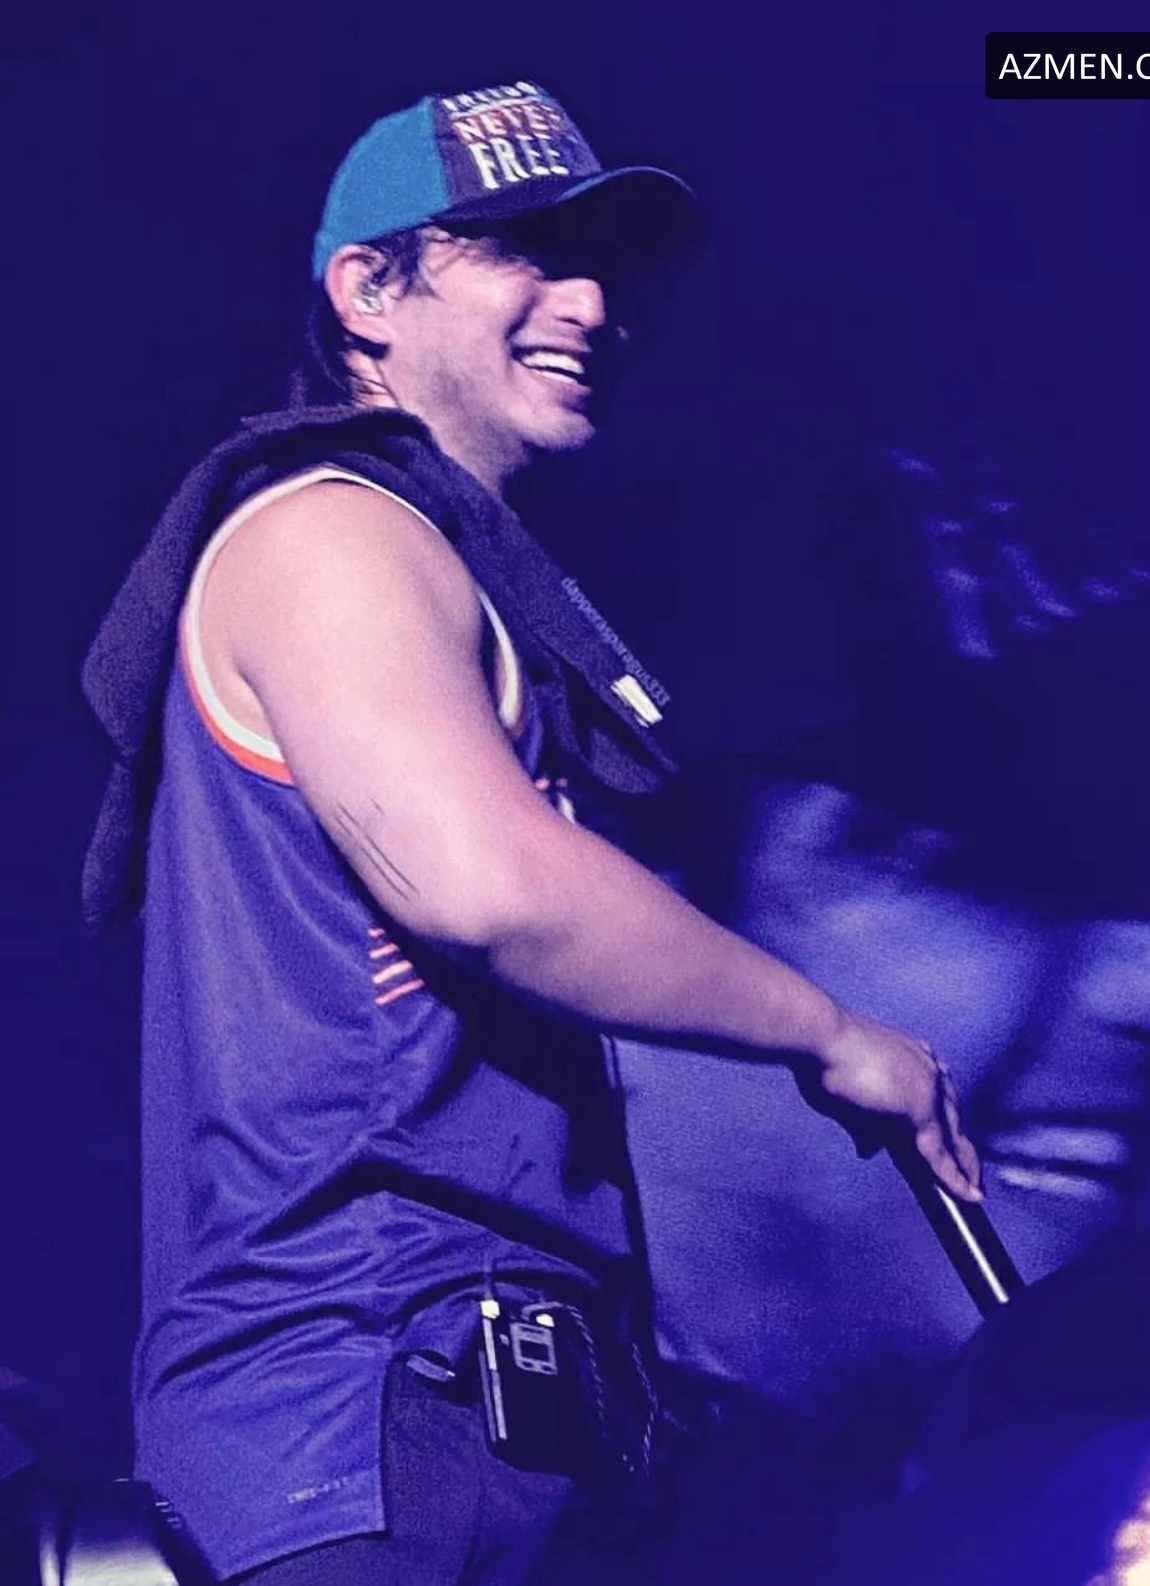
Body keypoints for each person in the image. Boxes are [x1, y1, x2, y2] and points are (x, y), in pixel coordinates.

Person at [81, 81, 980, 1586]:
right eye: (523, 251)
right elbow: (493, 889)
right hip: (377, 1397)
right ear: (369, 292)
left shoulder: (431, 558)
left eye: (603, 268)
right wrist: (829, 1030)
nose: (590, 304)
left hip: (460, 1403)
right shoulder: (330, 533)